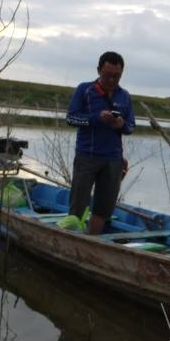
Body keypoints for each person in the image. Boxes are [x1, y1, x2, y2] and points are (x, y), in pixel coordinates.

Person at [65, 51, 135, 235]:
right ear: (98, 70)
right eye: (108, 75)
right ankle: (71, 239)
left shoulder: (125, 96)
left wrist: (120, 125)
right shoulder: (85, 90)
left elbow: (131, 127)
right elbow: (71, 119)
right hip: (87, 156)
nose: (112, 80)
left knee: (103, 208)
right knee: (78, 205)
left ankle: (92, 241)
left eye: (116, 76)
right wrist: (97, 118)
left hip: (113, 159)